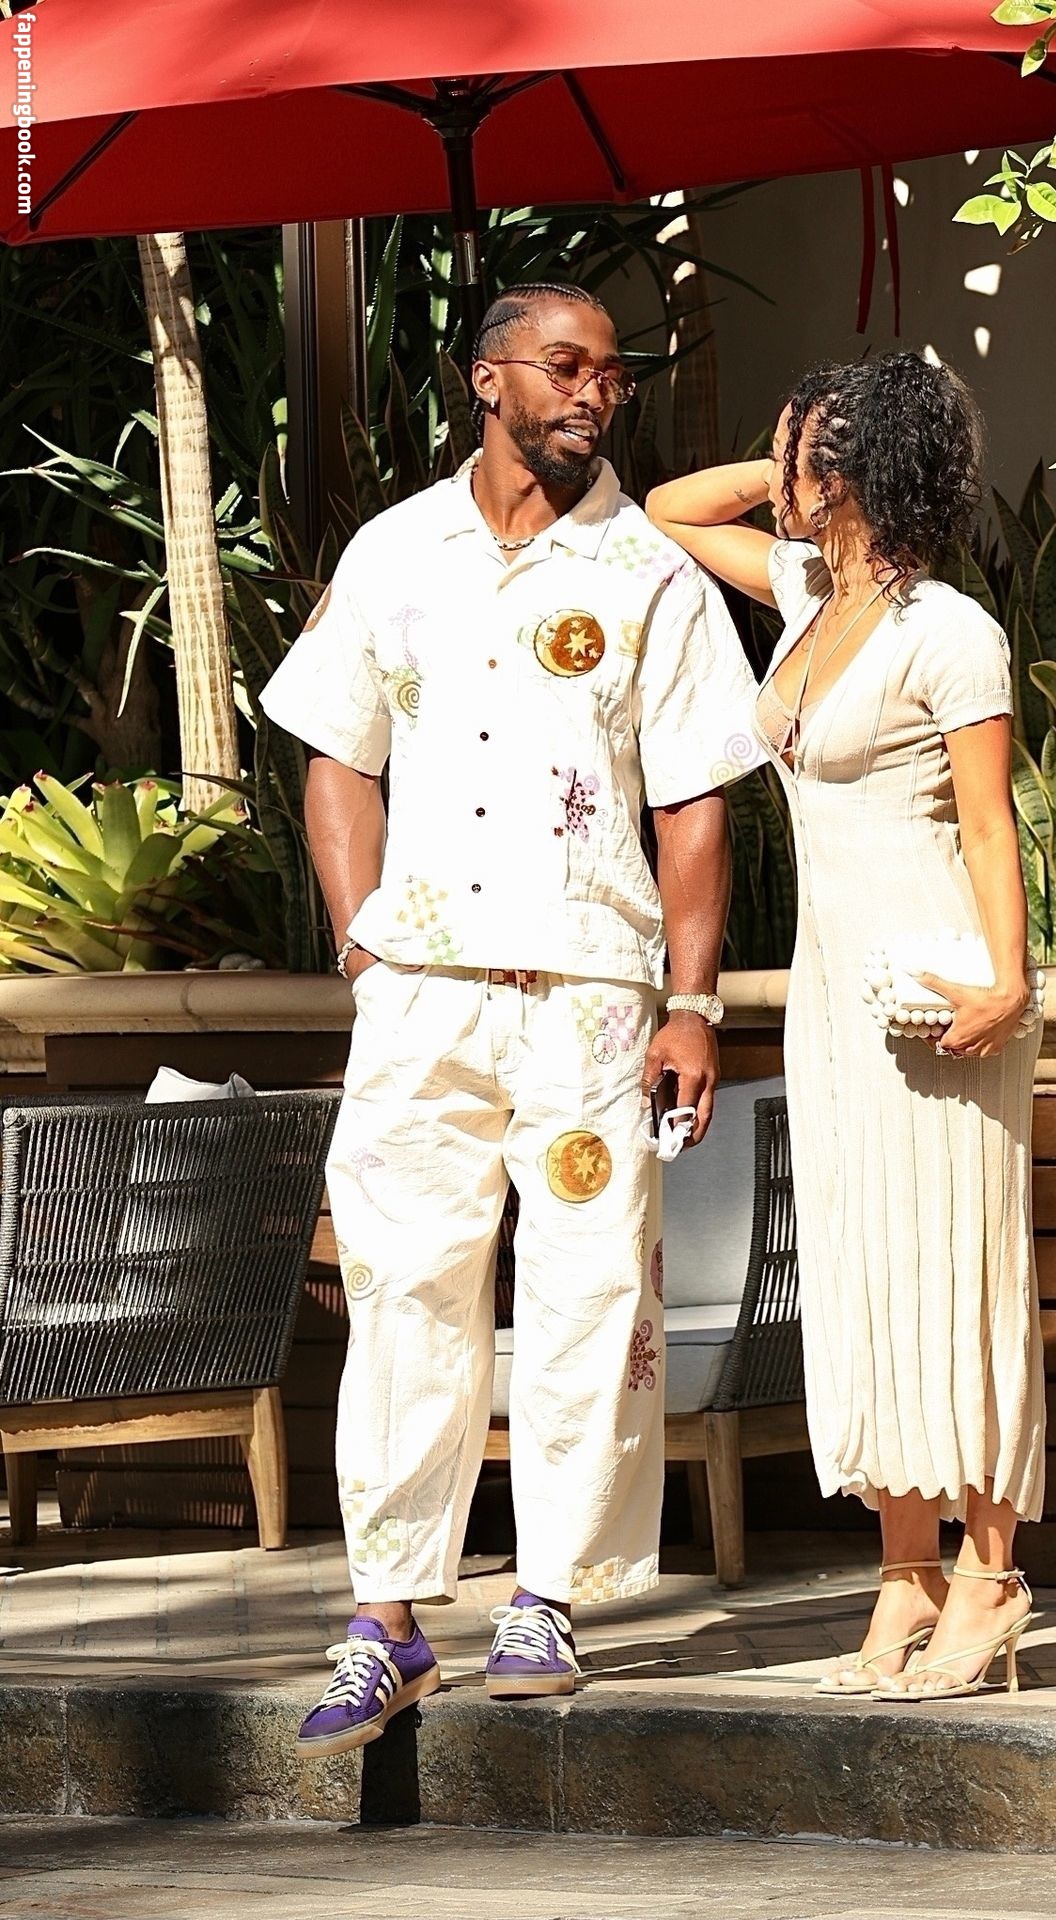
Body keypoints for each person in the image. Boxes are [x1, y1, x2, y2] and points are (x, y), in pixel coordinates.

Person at [261, 282, 764, 1757]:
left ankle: (545, 1595)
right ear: (488, 381)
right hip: (421, 995)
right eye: (563, 366)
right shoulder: (393, 553)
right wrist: (362, 943)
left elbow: (695, 802)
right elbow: (336, 751)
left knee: (590, 1291)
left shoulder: (651, 571)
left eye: (610, 374)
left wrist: (691, 1002)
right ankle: (386, 1620)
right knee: (402, 1288)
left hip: (593, 999)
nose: (593, 392)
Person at [646, 353, 1045, 1703]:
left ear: (860, 468)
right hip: (832, 991)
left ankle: (991, 1577)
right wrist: (788, 466)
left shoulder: (951, 631)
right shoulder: (808, 591)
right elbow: (669, 511)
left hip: (940, 984)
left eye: (804, 451)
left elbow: (988, 823)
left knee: (958, 1270)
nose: (780, 472)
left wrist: (1007, 978)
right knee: (867, 1274)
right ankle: (905, 1575)